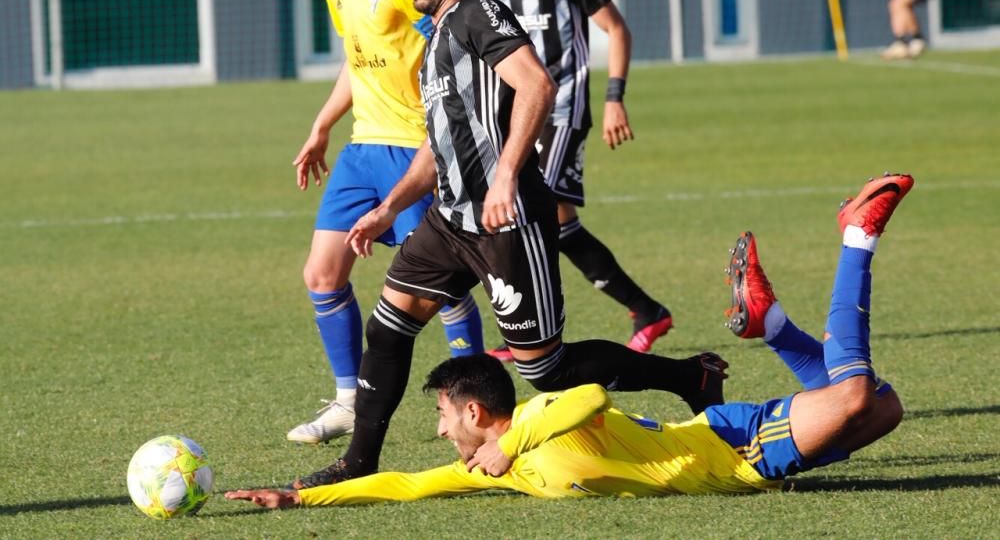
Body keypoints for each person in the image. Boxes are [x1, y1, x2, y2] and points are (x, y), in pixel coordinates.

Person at [285, 0, 728, 490]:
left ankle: (689, 377)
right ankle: (358, 463)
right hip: (450, 220)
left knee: (546, 369)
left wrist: (503, 177)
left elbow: (536, 85)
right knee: (388, 327)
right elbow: (438, 141)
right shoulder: (438, 30)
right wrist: (390, 207)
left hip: (508, 219)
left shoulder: (477, 12)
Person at [225, 172, 914, 508]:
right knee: (885, 409)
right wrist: (298, 499)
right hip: (725, 442)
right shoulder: (493, 461)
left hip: (734, 454)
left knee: (857, 398)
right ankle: (773, 328)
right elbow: (404, 486)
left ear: (476, 413)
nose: (439, 436)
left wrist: (511, 440)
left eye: (442, 418)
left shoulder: (529, 425)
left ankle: (858, 236)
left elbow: (584, 395)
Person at [286, 0, 484, 446]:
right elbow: (356, 58)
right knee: (321, 274)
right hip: (361, 148)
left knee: (440, 288)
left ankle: (468, 394)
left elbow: (448, 44)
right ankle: (349, 398)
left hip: (413, 148)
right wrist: (322, 125)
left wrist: (444, 130)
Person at [471, 0, 672, 358]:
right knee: (556, 221)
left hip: (562, 109)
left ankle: (532, 332)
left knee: (527, 211)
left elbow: (616, 30)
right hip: (511, 117)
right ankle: (645, 310)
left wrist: (613, 98)